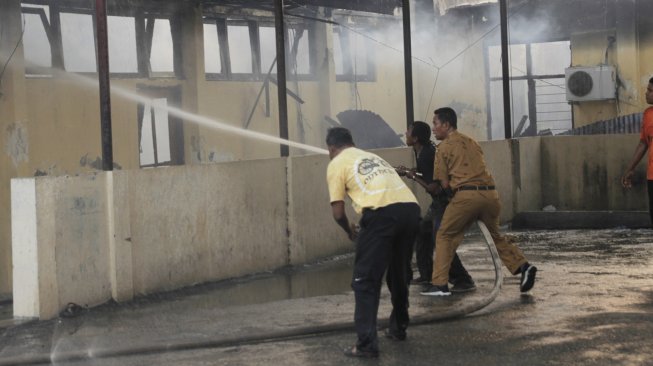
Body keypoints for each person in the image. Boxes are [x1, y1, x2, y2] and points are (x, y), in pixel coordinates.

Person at [420, 107, 537, 297]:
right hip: (490, 196)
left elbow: (443, 183)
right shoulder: (472, 142)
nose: (433, 128)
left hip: (466, 196)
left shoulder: (444, 147)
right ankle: (524, 267)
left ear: (446, 125)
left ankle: (440, 285)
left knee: (444, 236)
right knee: (496, 237)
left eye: (435, 124)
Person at [325, 127, 420, 358]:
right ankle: (398, 328)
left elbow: (338, 213)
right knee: (399, 272)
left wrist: (350, 230)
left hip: (381, 214)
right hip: (410, 209)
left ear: (331, 148)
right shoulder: (372, 157)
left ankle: (366, 344)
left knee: (365, 279)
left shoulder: (336, 163)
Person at [396, 121, 476, 293]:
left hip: (445, 202)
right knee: (422, 232)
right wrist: (411, 170)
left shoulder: (426, 154)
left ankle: (463, 279)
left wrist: (412, 176)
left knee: (441, 239)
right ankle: (427, 275)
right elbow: (429, 172)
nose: (405, 133)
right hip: (438, 202)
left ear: (416, 138)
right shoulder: (422, 151)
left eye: (408, 132)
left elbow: (434, 187)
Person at [621, 77, 653, 225]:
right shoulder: (648, 115)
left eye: (650, 90)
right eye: (648, 89)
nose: (646, 93)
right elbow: (643, 143)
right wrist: (630, 169)